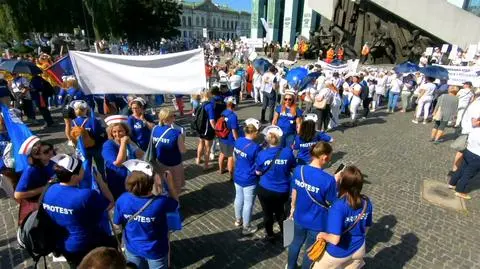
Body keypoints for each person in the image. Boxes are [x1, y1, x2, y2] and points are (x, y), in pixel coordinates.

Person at [43, 154, 115, 268]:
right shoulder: (85, 195)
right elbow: (109, 203)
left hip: (65, 245)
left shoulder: (49, 190)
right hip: (89, 244)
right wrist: (100, 181)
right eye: (82, 169)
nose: (84, 171)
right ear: (74, 177)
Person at [114, 159, 179, 269]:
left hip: (132, 247)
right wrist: (170, 184)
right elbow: (176, 204)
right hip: (155, 250)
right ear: (151, 183)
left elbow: (117, 223)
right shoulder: (161, 202)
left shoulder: (122, 199)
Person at [287, 142, 337, 269]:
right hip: (317, 222)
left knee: (294, 244)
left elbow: (294, 191)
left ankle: (290, 266)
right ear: (324, 158)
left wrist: (292, 208)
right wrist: (336, 181)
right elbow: (332, 203)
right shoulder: (328, 180)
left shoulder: (299, 170)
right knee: (310, 250)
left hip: (299, 215)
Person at [312, 166, 373, 269]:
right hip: (359, 249)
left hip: (338, 253)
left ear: (343, 184)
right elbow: (367, 227)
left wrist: (322, 235)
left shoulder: (338, 206)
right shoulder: (367, 202)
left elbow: (335, 239)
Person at [255, 126, 296, 242]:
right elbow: (293, 167)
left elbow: (258, 171)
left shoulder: (262, 154)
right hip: (282, 190)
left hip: (265, 189)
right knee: (282, 213)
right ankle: (288, 237)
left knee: (267, 214)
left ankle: (270, 235)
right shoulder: (288, 152)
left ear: (267, 140)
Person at [14, 136, 55, 225]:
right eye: (46, 152)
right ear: (36, 155)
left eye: (50, 148)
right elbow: (18, 195)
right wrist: (44, 188)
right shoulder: (31, 170)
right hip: (42, 204)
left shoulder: (51, 160)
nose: (51, 152)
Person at [102, 115, 144, 199]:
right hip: (118, 181)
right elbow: (118, 163)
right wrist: (123, 144)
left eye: (120, 131)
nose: (117, 134)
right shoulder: (108, 145)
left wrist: (131, 143)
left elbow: (141, 154)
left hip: (133, 179)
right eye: (114, 132)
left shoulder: (129, 141)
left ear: (126, 131)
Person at [232, 118, 261, 235]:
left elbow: (234, 157)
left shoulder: (238, 141)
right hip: (249, 178)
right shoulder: (255, 147)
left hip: (238, 175)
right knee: (248, 203)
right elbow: (258, 166)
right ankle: (246, 226)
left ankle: (238, 220)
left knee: (238, 198)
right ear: (254, 132)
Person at [448, 95, 480, 200]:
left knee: (463, 167)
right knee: (470, 171)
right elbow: (474, 122)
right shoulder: (477, 106)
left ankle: (452, 183)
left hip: (471, 143)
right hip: (477, 148)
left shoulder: (475, 103)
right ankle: (460, 190)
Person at [152, 108, 186, 194]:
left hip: (160, 162)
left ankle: (164, 199)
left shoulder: (154, 129)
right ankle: (175, 202)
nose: (174, 118)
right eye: (173, 116)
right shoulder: (176, 133)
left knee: (162, 183)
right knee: (175, 185)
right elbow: (183, 151)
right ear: (168, 118)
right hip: (174, 164)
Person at [71, 100, 107, 177]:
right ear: (86, 109)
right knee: (100, 166)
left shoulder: (73, 122)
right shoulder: (92, 120)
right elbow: (98, 134)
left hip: (82, 147)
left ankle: (88, 182)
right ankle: (103, 180)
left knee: (86, 167)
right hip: (95, 147)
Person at [218, 96, 239, 179]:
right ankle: (231, 175)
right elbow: (234, 131)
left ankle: (221, 169)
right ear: (234, 105)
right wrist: (237, 141)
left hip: (222, 137)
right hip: (230, 139)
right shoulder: (233, 116)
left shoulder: (224, 112)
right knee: (230, 157)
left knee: (222, 153)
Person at [195, 90, 216, 170]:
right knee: (207, 148)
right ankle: (206, 165)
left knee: (200, 144)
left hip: (200, 128)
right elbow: (212, 120)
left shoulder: (199, 104)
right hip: (207, 130)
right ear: (209, 95)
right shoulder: (209, 106)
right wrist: (216, 129)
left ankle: (198, 159)